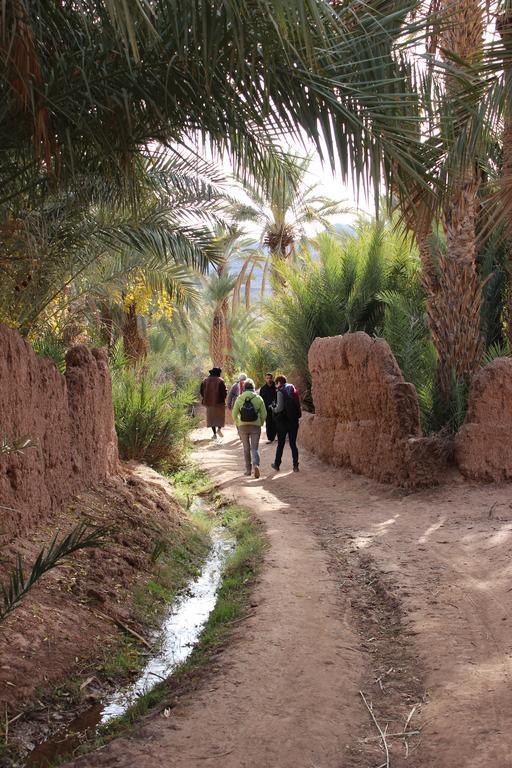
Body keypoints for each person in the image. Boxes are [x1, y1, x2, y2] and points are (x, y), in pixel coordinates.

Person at [232, 378, 267, 478]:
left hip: (242, 426)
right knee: (254, 448)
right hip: (255, 426)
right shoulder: (258, 398)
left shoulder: (239, 398)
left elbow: (234, 414)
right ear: (253, 387)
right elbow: (264, 414)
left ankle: (248, 470)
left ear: (244, 388)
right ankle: (256, 465)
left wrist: (238, 423)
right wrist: (260, 422)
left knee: (246, 448)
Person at [270, 375, 301, 472]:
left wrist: (272, 408)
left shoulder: (280, 392)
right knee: (293, 444)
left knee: (281, 444)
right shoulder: (292, 389)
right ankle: (295, 466)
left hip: (283, 422)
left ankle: (277, 464)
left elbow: (280, 408)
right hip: (294, 421)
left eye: (276, 383)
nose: (276, 385)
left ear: (279, 382)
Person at [200, 367, 227, 440]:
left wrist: (205, 398)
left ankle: (214, 434)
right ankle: (219, 429)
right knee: (220, 418)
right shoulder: (220, 381)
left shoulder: (205, 381)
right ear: (218, 373)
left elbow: (201, 391)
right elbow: (224, 392)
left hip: (209, 403)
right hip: (219, 403)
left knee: (211, 419)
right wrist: (223, 398)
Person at [259, 372, 277, 443]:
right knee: (268, 423)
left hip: (276, 408)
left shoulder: (276, 387)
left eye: (270, 378)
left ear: (272, 378)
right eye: (267, 378)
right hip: (266, 409)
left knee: (276, 422)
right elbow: (260, 399)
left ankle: (275, 436)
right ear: (265, 379)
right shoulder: (263, 388)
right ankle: (270, 438)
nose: (269, 379)